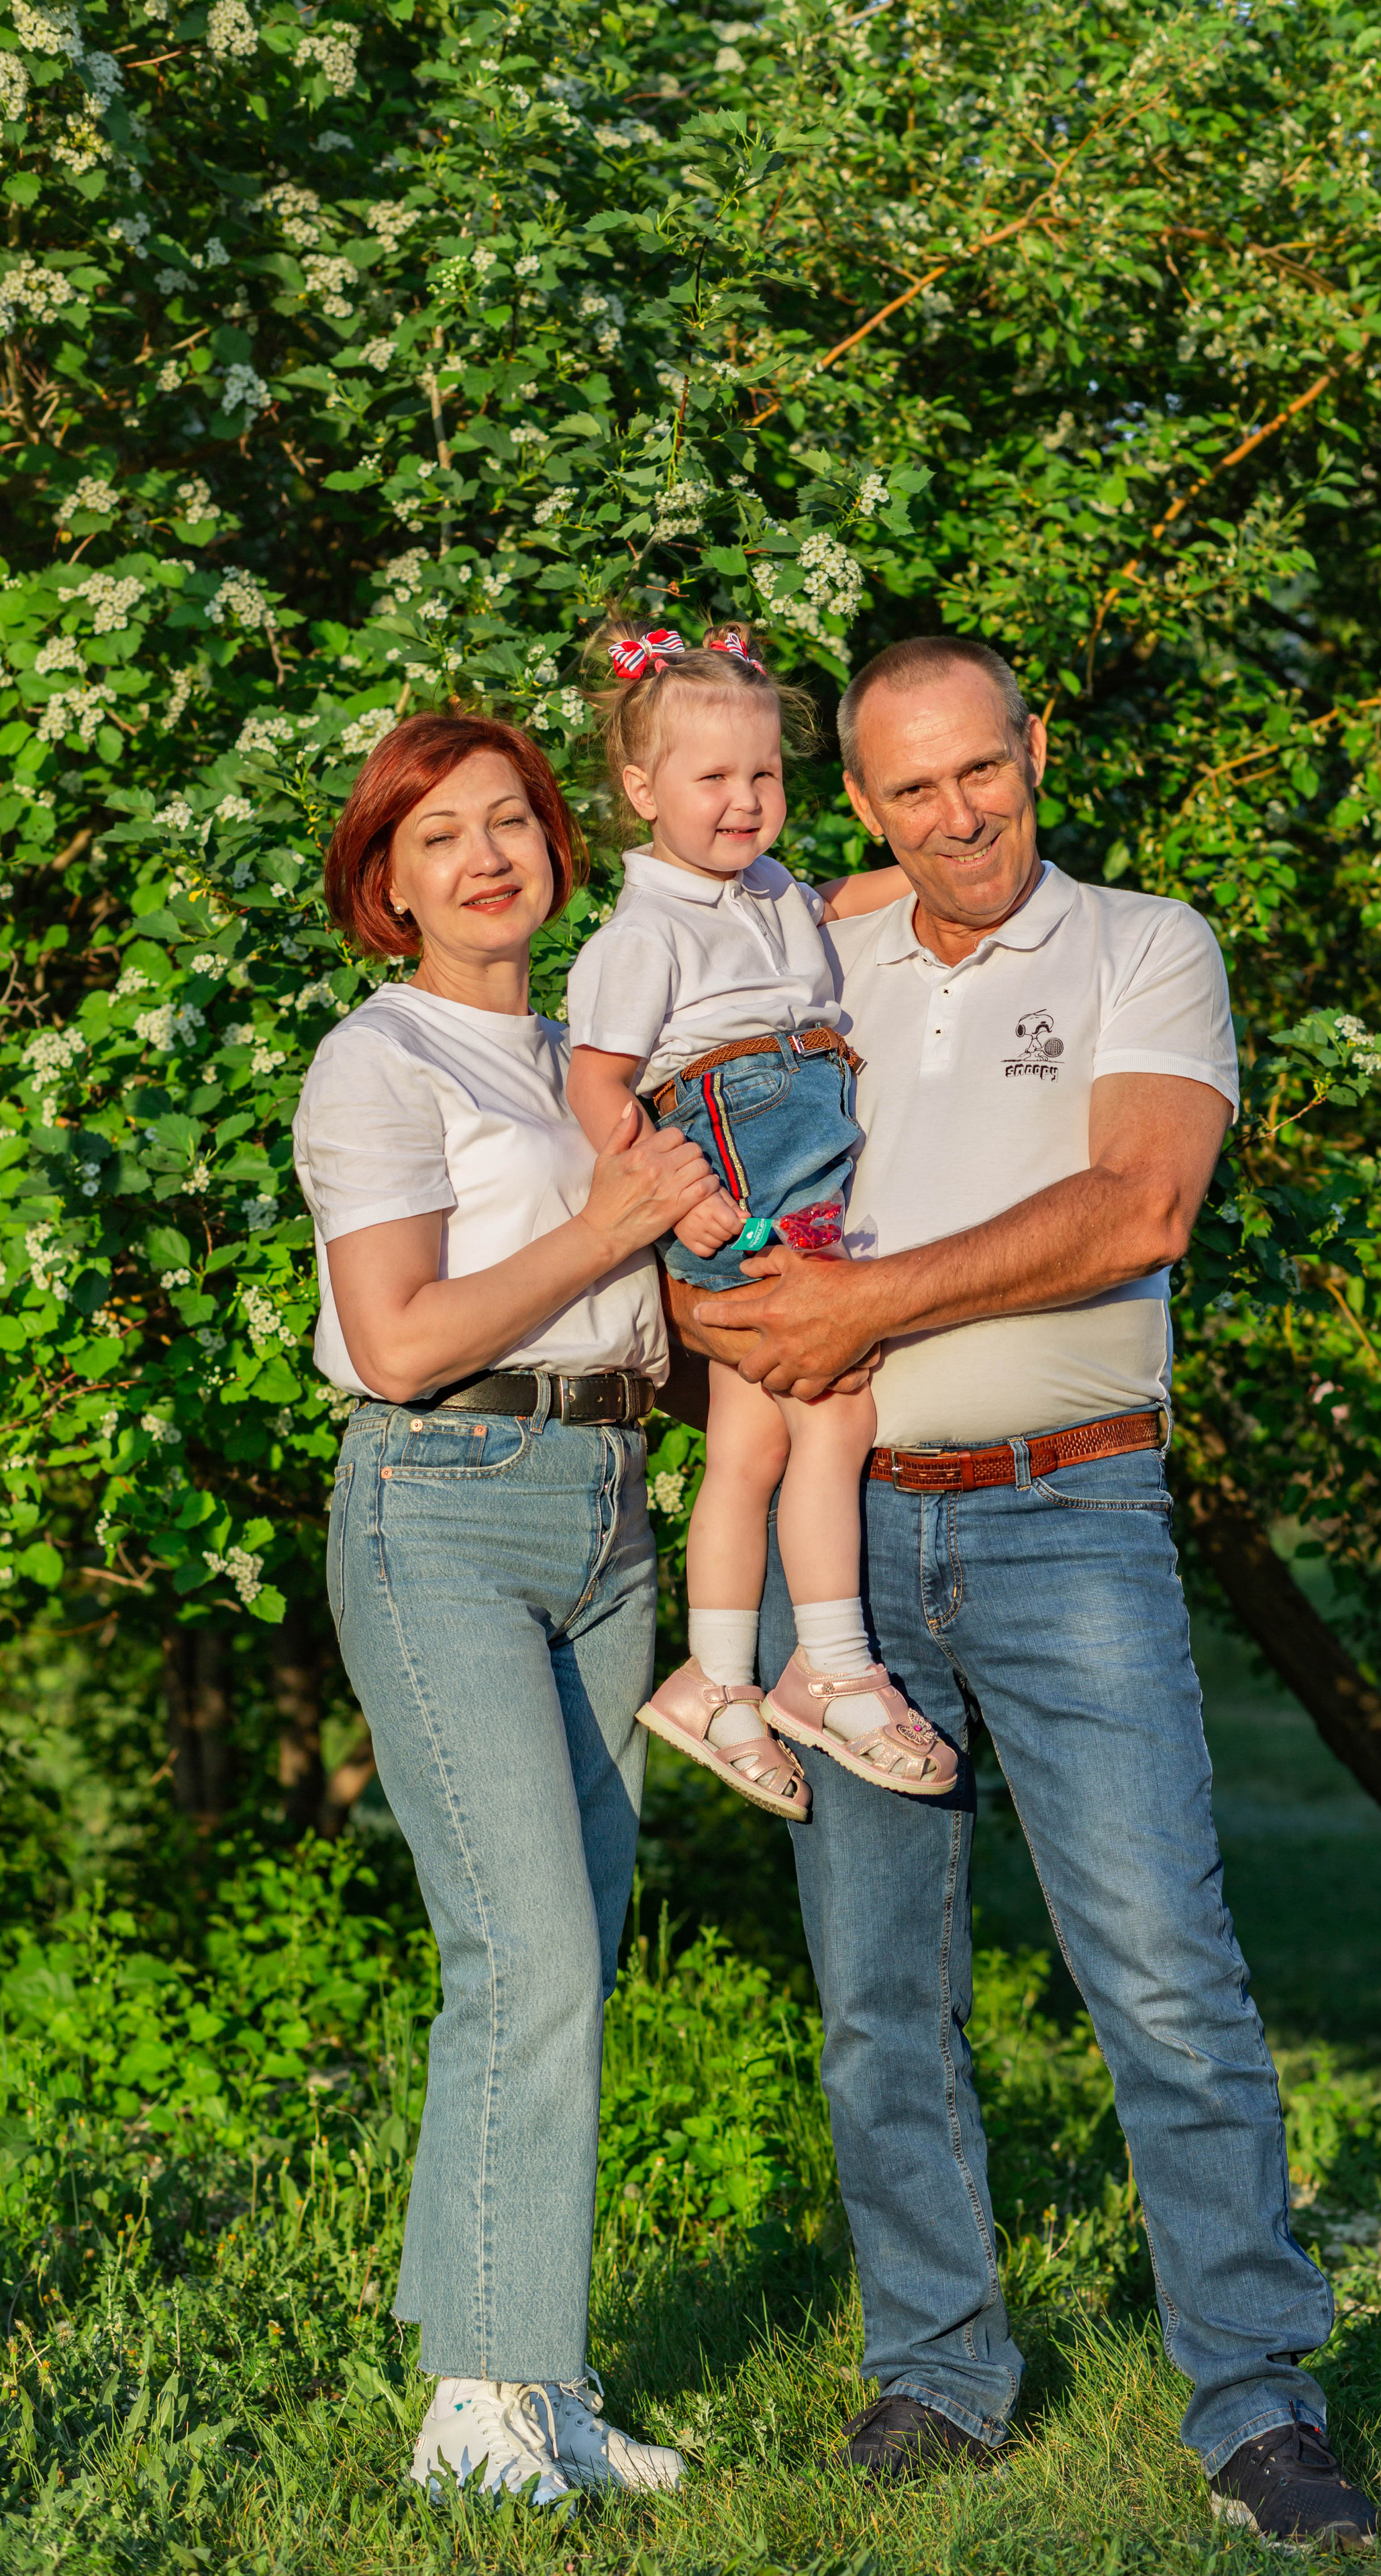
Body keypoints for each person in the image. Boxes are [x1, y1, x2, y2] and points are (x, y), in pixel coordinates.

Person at [676, 637, 1381, 2553]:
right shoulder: (822, 953)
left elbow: (1140, 1206)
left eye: (982, 771)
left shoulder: (1146, 946)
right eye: (912, 792)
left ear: (1035, 748)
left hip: (1071, 1517)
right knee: (878, 1992)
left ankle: (1255, 2402)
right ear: (868, 805)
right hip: (852, 1549)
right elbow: (674, 1016)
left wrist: (862, 1303)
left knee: (1163, 1968)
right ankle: (943, 2371)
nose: (958, 816)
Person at [294, 710, 709, 2508]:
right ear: (387, 883)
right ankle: (474, 2404)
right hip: (442, 1503)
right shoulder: (378, 1064)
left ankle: (534, 2378)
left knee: (574, 1957)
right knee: (524, 1955)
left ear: (560, 847)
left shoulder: (589, 1054)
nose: (486, 857)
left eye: (513, 823)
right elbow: (396, 1337)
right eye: (440, 835)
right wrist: (616, 1221)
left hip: (609, 1508)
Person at [563, 622, 956, 1813]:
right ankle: (830, 1668)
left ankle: (716, 1682)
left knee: (750, 1446)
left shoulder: (767, 893)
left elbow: (836, 896)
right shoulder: (644, 935)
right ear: (640, 793)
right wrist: (693, 1213)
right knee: (835, 1415)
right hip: (737, 1176)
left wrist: (933, 862)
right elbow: (600, 1089)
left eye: (765, 776)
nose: (746, 802)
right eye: (712, 779)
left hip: (799, 1171)